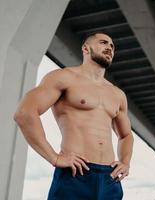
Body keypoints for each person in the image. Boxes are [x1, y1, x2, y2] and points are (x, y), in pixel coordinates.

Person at [13, 32, 134, 200]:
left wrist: (125, 162)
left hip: (110, 178)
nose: (109, 48)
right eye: (103, 43)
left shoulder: (117, 94)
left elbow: (126, 135)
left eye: (112, 46)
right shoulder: (64, 77)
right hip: (76, 173)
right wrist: (54, 158)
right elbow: (24, 113)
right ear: (86, 48)